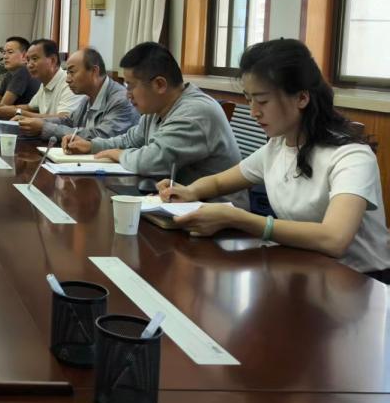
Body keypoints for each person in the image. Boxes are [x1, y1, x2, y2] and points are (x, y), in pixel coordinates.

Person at [159, 39, 390, 281]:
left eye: (262, 101)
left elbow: (334, 239)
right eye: (249, 99)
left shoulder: (351, 157)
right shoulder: (278, 146)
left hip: (361, 281)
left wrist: (239, 219)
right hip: (306, 271)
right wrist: (190, 191)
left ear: (301, 98)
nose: (253, 112)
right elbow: (218, 183)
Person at [62, 42, 245, 204]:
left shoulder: (195, 112)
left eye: (131, 86)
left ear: (159, 84)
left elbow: (152, 160)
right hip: (179, 203)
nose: (127, 94)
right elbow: (129, 140)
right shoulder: (156, 108)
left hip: (218, 213)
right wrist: (92, 146)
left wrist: (118, 154)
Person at [21, 47, 138, 142]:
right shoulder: (87, 98)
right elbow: (69, 121)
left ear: (94, 71)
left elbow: (101, 136)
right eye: (67, 73)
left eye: (72, 72)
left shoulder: (121, 100)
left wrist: (45, 128)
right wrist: (37, 122)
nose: (67, 80)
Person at [9, 39, 85, 135]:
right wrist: (9, 109)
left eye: (35, 59)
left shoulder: (69, 83)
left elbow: (64, 119)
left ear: (53, 60)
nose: (29, 65)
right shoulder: (44, 82)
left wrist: (19, 112)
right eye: (28, 60)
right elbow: (30, 107)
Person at [0, 36, 40, 116]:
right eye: (4, 53)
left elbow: (4, 105)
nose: (5, 56)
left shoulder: (23, 71)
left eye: (10, 52)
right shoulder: (11, 72)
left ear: (24, 56)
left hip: (22, 119)